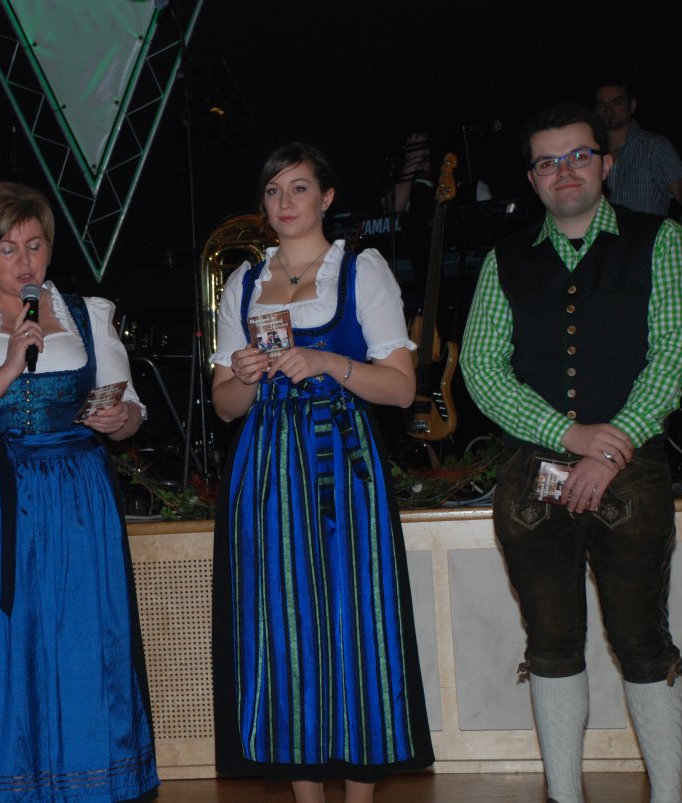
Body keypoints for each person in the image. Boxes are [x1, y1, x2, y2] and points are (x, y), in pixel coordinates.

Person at [460, 103, 682, 803]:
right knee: (552, 642)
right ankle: (563, 796)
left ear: (606, 164)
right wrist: (570, 436)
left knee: (642, 640)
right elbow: (481, 368)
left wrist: (609, 447)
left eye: (579, 156)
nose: (565, 171)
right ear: (532, 178)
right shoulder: (504, 260)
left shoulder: (662, 239)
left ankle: (668, 795)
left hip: (634, 465)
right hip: (534, 470)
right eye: (547, 162)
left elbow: (673, 354)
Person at [0, 181, 159, 802]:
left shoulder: (87, 313)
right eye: (8, 249)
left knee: (81, 645)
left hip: (76, 498)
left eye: (35, 245)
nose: (24, 261)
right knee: (1, 651)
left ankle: (88, 784)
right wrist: (7, 365)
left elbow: (130, 413)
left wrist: (118, 418)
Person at [210, 143, 434, 803]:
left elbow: (400, 389)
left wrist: (329, 363)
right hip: (267, 470)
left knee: (356, 616)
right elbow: (225, 407)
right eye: (273, 190)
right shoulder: (242, 283)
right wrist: (245, 375)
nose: (285, 202)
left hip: (343, 464)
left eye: (299, 188)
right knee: (284, 625)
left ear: (327, 197)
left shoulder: (362, 270)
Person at [594, 81, 682, 217]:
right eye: (601, 105)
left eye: (616, 103)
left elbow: (681, 192)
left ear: (631, 106)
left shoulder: (655, 147)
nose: (608, 110)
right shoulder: (590, 152)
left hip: (645, 230)